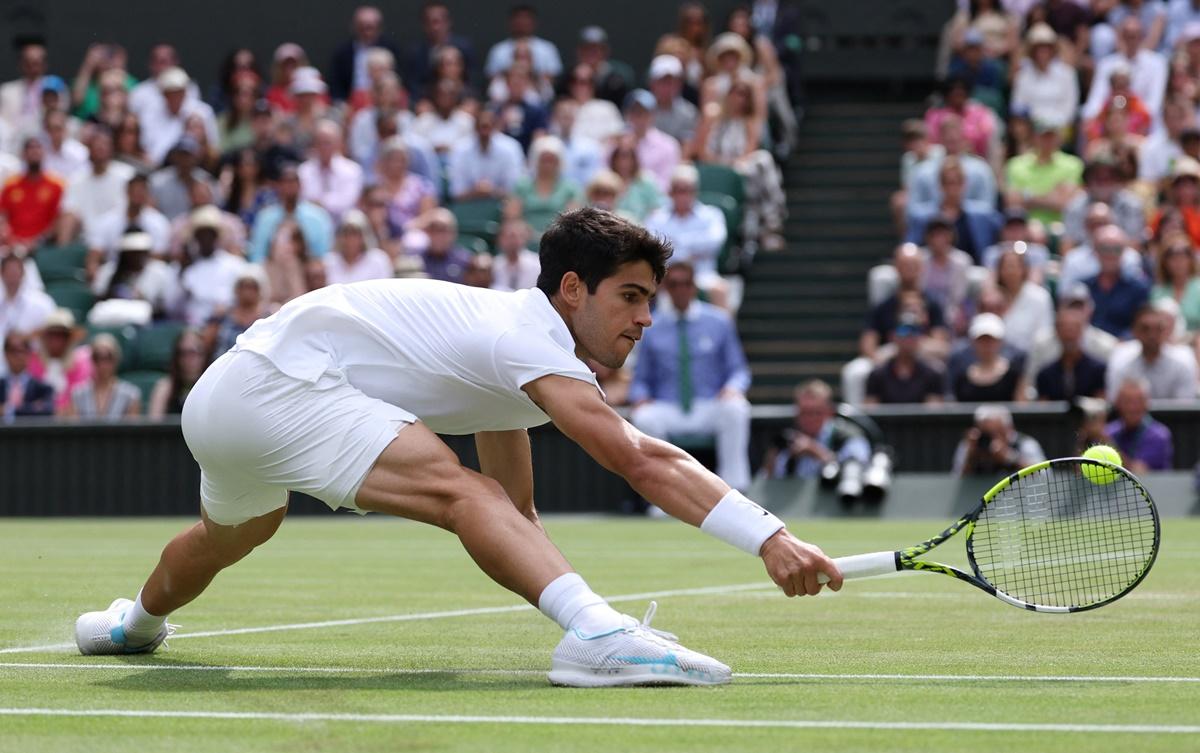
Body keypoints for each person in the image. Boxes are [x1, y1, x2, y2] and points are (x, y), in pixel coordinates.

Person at [71, 207, 845, 688]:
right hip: (279, 383)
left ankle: (128, 626)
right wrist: (769, 535)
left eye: (648, 298)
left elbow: (514, 514)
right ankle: (600, 639)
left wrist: (567, 597)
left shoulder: (502, 347)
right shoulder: (525, 337)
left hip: (226, 399)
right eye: (630, 296)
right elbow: (638, 457)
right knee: (459, 488)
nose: (645, 317)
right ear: (572, 289)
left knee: (229, 533)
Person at [629, 261, 752, 491]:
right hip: (669, 407)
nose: (680, 290)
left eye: (685, 284)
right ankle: (662, 493)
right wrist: (641, 397)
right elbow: (640, 379)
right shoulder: (652, 327)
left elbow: (739, 370)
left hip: (709, 405)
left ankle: (736, 491)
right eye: (674, 285)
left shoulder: (719, 322)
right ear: (666, 289)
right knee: (644, 417)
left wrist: (733, 388)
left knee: (736, 409)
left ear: (694, 287)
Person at [644, 164, 728, 306]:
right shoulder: (657, 218)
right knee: (645, 288)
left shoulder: (711, 215)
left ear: (695, 192)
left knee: (720, 290)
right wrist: (694, 247)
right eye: (678, 190)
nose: (682, 195)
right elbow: (652, 247)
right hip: (666, 276)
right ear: (670, 192)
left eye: (687, 190)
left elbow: (715, 242)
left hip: (702, 274)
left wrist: (676, 244)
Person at [761, 379, 871, 479]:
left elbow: (858, 476)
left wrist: (818, 453)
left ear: (829, 412)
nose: (809, 419)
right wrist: (771, 459)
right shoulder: (787, 441)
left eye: (816, 412)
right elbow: (765, 482)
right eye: (804, 412)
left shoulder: (848, 437)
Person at [1082, 16, 1167, 125]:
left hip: (1144, 123)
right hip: (1110, 122)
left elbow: (1154, 104)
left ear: (1142, 37)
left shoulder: (1157, 63)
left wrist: (1134, 121)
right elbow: (1096, 100)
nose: (1131, 39)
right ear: (1120, 37)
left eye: (1135, 35)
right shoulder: (1106, 64)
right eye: (1127, 35)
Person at [1105, 304, 1198, 400]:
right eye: (1145, 329)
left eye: (1158, 329)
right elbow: (1115, 402)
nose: (1152, 335)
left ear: (1165, 331)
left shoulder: (1183, 362)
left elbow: (1184, 408)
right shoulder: (1121, 360)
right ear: (1134, 331)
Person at [249, 163, 334, 264]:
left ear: (300, 185)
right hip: (273, 272)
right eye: (285, 182)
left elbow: (324, 255)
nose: (289, 186)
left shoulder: (318, 217)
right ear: (278, 186)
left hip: (308, 273)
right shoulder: (265, 217)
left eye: (293, 182)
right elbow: (257, 255)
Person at [1003, 120, 1082, 227]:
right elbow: (1013, 204)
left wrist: (1028, 197)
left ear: (1059, 138)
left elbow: (1067, 204)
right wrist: (1052, 197)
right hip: (1026, 227)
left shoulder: (1073, 164)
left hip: (1062, 226)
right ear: (1034, 137)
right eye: (1043, 136)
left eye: (1051, 136)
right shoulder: (1016, 165)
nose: (1047, 141)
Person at [92, 231, 182, 319]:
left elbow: (166, 306)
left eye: (141, 252)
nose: (137, 257)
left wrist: (143, 300)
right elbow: (99, 299)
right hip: (114, 319)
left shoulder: (160, 271)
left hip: (152, 322)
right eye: (133, 253)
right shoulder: (109, 271)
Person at [180, 207, 246, 327]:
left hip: (227, 325)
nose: (205, 239)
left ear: (216, 237)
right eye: (201, 235)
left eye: (209, 235)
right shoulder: (189, 270)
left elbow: (242, 296)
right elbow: (175, 306)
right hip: (195, 328)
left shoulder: (234, 264)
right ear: (196, 239)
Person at [139, 67, 218, 167]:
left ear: (185, 92)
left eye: (178, 91)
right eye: (170, 92)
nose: (175, 96)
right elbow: (145, 147)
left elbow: (212, 147)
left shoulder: (203, 112)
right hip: (154, 170)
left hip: (195, 169)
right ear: (163, 93)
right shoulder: (150, 113)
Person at [507, 136, 582, 234]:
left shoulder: (571, 188)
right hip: (525, 238)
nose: (547, 165)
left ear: (559, 162)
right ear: (535, 160)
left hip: (560, 238)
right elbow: (512, 216)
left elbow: (573, 220)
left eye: (551, 160)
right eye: (544, 160)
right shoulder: (522, 185)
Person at [863, 314, 946, 404]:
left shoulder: (932, 375)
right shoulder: (878, 375)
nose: (908, 337)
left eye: (914, 332)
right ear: (892, 336)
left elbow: (934, 413)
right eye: (903, 331)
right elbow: (871, 410)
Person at [447, 107, 525, 201]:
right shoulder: (460, 149)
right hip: (468, 206)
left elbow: (515, 190)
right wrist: (476, 192)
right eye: (481, 127)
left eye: (487, 126)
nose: (484, 132)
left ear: (495, 126)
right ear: (475, 127)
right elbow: (455, 192)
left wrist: (492, 191)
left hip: (502, 204)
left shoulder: (511, 148)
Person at [1086, 224, 1151, 337]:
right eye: (1104, 249)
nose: (1110, 254)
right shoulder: (1083, 287)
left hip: (1124, 348)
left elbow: (1142, 326)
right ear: (1095, 252)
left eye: (1116, 249)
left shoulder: (1138, 289)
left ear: (1123, 252)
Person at [1011, 24, 1079, 130]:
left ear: (1052, 50)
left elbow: (1070, 108)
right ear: (1032, 51)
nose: (1043, 53)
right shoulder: (1023, 76)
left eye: (1046, 48)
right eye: (1039, 48)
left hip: (1060, 128)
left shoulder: (1067, 74)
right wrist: (1036, 124)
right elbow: (1019, 105)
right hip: (1032, 128)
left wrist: (1053, 125)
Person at [328, 5, 402, 103]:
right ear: (354, 27)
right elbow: (336, 84)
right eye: (362, 27)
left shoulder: (391, 49)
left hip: (385, 99)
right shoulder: (342, 53)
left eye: (370, 27)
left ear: (379, 28)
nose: (367, 32)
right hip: (351, 103)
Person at [58, 332, 140, 420]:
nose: (102, 364)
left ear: (117, 359)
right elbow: (73, 429)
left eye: (108, 357)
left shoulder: (130, 395)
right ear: (91, 360)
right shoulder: (78, 393)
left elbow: (132, 431)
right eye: (97, 357)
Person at [1, 137, 65, 246]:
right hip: (12, 245)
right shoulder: (10, 185)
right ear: (23, 154)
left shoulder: (56, 185)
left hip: (43, 246)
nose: (34, 151)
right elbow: (2, 216)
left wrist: (36, 242)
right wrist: (10, 239)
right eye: (30, 148)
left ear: (44, 153)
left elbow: (58, 221)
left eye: (38, 148)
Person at [1035, 308, 1108, 401]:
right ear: (1056, 331)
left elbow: (1101, 405)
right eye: (1064, 327)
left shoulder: (1098, 370)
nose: (1069, 333)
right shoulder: (1045, 374)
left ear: (1082, 330)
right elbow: (1044, 409)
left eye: (1074, 327)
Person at [952, 404, 1045, 476]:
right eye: (985, 433)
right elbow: (955, 480)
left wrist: (1010, 458)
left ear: (1008, 429)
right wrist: (970, 458)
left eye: (996, 432)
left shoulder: (1025, 444)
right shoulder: (969, 445)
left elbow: (1045, 477)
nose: (990, 439)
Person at [28, 307, 91, 412]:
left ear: (69, 338)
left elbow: (79, 397)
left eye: (61, 335)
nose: (56, 339)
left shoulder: (81, 363)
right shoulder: (32, 361)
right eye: (51, 334)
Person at [298, 120, 363, 222]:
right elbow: (302, 200)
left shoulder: (352, 170)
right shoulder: (303, 171)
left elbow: (346, 202)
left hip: (343, 226)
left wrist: (320, 203)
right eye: (319, 143)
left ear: (338, 144)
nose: (323, 147)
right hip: (311, 224)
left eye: (327, 143)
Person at [1105, 377, 1174, 472]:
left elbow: (1138, 472)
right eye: (1127, 401)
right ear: (1118, 403)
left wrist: (1105, 441)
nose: (1132, 407)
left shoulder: (1159, 436)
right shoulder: (1109, 431)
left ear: (1147, 403)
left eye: (1138, 401)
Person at [952, 313, 1026, 403]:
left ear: (1000, 342)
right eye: (982, 340)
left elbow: (1021, 407)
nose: (987, 345)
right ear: (973, 342)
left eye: (991, 340)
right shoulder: (962, 379)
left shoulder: (1014, 375)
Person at [205, 265, 269, 361]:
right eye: (243, 287)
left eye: (252, 287)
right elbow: (206, 344)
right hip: (224, 367)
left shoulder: (268, 318)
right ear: (236, 289)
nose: (247, 292)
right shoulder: (222, 316)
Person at [484, 5, 563, 81]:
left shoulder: (547, 48)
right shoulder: (499, 49)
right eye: (518, 19)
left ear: (533, 22)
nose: (522, 23)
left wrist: (530, 76)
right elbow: (492, 77)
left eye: (526, 19)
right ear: (511, 22)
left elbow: (553, 76)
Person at [146, 329, 206, 418]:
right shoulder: (165, 387)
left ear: (204, 355)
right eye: (183, 353)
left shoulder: (211, 387)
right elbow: (154, 425)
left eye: (193, 352)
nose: (189, 360)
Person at [325, 210, 392, 285]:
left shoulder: (378, 260)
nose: (350, 239)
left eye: (355, 233)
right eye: (346, 233)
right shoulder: (329, 261)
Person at [1, 330, 55, 419]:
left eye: (22, 351)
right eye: (13, 351)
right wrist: (31, 407)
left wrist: (8, 410)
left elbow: (47, 410)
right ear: (5, 354)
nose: (18, 356)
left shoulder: (43, 388)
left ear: (29, 354)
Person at [1151, 236, 1200, 333]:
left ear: (1191, 260)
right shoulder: (1158, 291)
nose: (1178, 262)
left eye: (1183, 257)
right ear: (1164, 263)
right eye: (1172, 258)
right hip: (1165, 344)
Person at [647, 54, 699, 147]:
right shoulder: (640, 110)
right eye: (662, 81)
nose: (667, 87)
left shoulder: (689, 112)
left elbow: (687, 146)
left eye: (671, 82)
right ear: (652, 83)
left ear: (679, 84)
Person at [411, 207, 473, 283]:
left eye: (443, 229)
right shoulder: (414, 260)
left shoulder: (466, 261)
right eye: (433, 229)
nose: (438, 235)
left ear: (453, 232)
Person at [0, 254, 55, 338]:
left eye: (15, 270)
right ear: (2, 273)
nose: (12, 274)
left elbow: (52, 330)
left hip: (32, 349)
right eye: (9, 270)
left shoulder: (42, 302)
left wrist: (27, 337)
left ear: (23, 273)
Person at [491, 218, 540, 291]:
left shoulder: (537, 264)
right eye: (507, 236)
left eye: (516, 236)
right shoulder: (494, 265)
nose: (512, 241)